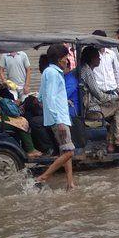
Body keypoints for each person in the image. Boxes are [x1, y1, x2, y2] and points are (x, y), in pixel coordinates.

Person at [35, 42, 75, 189]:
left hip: (57, 117)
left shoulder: (47, 72)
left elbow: (41, 97)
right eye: (65, 57)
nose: (67, 61)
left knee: (65, 150)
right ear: (59, 59)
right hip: (60, 119)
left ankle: (70, 184)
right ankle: (43, 176)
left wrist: (63, 101)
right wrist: (58, 120)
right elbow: (50, 97)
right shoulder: (53, 74)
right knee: (70, 151)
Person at [79, 44, 119, 148]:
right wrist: (117, 97)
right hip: (92, 110)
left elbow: (96, 92)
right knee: (118, 106)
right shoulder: (87, 72)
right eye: (97, 56)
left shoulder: (85, 69)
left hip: (91, 104)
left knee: (113, 106)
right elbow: (100, 96)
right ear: (92, 59)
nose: (100, 58)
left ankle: (110, 143)